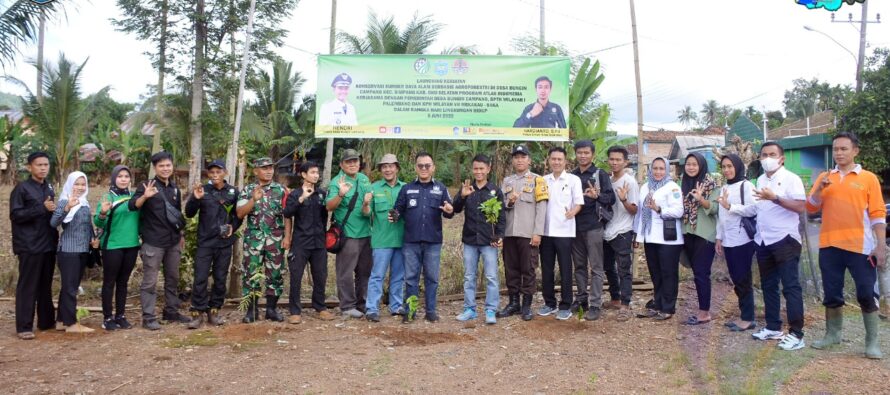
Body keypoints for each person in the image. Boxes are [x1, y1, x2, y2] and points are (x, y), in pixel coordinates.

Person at [807, 132, 886, 359]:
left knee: (865, 293)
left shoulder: (868, 178)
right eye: (836, 149)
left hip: (860, 247)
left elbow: (878, 215)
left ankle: (872, 343)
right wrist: (820, 188)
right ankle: (833, 335)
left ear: (855, 151)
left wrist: (880, 246)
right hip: (829, 245)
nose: (839, 153)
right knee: (832, 293)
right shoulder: (824, 176)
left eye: (844, 149)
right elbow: (811, 208)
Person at [749, 142, 807, 351]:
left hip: (785, 240)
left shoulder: (792, 179)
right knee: (768, 285)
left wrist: (775, 198)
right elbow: (758, 208)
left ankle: (796, 334)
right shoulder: (761, 179)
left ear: (781, 158)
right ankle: (773, 327)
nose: (767, 158)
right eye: (764, 155)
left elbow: (801, 206)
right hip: (763, 239)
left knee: (790, 287)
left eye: (772, 154)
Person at [392, 152, 455, 323]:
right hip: (411, 241)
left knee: (432, 278)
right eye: (421, 165)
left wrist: (450, 210)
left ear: (433, 167)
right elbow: (398, 209)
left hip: (433, 241)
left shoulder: (441, 188)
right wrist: (394, 214)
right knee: (410, 278)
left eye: (427, 165)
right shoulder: (406, 189)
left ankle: (431, 311)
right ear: (416, 168)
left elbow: (449, 211)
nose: (424, 169)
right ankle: (410, 311)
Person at [129, 151, 189, 330]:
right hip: (153, 242)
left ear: (172, 166)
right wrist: (145, 196)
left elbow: (177, 214)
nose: (165, 168)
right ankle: (148, 317)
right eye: (161, 166)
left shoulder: (174, 188)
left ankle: (171, 311)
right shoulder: (146, 185)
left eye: (168, 165)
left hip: (173, 241)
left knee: (173, 278)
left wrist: (182, 235)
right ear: (155, 168)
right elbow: (132, 206)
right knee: (150, 281)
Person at [184, 160, 241, 329]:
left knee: (220, 279)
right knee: (200, 278)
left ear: (225, 172)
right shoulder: (203, 190)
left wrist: (233, 227)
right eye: (211, 172)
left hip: (224, 243)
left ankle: (214, 311)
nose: (215, 174)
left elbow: (239, 215)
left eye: (218, 171)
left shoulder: (233, 192)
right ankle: (197, 313)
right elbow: (189, 213)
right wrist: (195, 198)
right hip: (205, 242)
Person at [10, 152, 59, 340]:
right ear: (30, 167)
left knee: (45, 285)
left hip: (48, 244)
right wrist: (41, 208)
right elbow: (16, 215)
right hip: (29, 245)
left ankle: (46, 322)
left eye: (46, 164)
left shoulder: (48, 187)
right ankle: (24, 326)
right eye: (39, 165)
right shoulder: (22, 189)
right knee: (28, 286)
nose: (43, 168)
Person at [236, 157, 292, 323]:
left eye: (270, 168)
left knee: (275, 274)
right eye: (264, 168)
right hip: (254, 239)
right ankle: (251, 311)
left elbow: (287, 216)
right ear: (256, 171)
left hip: (275, 239)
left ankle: (271, 309)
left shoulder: (281, 190)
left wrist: (288, 236)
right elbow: (240, 213)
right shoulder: (248, 190)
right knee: (251, 274)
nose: (268, 171)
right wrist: (253, 199)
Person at [453, 154, 506, 325]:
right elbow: (455, 209)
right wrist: (462, 196)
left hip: (489, 241)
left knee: (491, 276)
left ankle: (491, 309)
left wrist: (499, 236)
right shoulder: (468, 189)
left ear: (488, 169)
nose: (478, 172)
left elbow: (501, 216)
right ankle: (470, 309)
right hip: (470, 240)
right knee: (469, 276)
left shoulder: (495, 191)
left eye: (482, 168)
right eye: (475, 168)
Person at [499, 144, 548, 321]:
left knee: (528, 270)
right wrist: (510, 202)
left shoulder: (538, 180)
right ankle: (514, 303)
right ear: (513, 160)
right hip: (510, 233)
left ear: (529, 160)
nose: (519, 160)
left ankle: (527, 304)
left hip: (528, 233)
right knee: (511, 269)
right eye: (516, 157)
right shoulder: (507, 181)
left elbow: (542, 209)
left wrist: (538, 233)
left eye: (523, 157)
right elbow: (501, 208)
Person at [283, 161, 335, 324]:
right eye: (312, 172)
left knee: (320, 275)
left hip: (319, 241)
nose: (316, 175)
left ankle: (320, 307)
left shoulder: (322, 194)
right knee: (296, 276)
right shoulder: (295, 194)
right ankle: (295, 311)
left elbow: (327, 214)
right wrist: (302, 198)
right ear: (303, 175)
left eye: (317, 172)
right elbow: (287, 213)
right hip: (300, 242)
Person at [634, 157, 684, 321]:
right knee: (655, 273)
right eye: (655, 168)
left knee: (668, 273)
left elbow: (678, 211)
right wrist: (638, 235)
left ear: (667, 170)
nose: (658, 172)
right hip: (650, 236)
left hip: (668, 239)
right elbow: (640, 213)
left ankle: (668, 307)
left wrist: (659, 208)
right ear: (650, 169)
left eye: (662, 168)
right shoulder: (645, 187)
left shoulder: (672, 187)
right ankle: (658, 302)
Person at [570, 140, 615, 321]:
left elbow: (610, 198)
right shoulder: (571, 176)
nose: (583, 156)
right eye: (579, 152)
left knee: (596, 267)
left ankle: (595, 303)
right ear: (575, 154)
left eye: (586, 153)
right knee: (579, 266)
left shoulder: (600, 174)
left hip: (594, 226)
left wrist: (598, 196)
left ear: (592, 154)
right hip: (574, 227)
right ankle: (582, 299)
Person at [326, 148, 373, 319]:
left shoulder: (364, 179)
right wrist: (340, 194)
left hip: (366, 233)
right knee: (345, 272)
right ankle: (347, 305)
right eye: (349, 162)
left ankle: (363, 304)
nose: (353, 164)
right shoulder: (336, 181)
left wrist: (367, 205)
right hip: (348, 234)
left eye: (355, 161)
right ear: (341, 164)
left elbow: (368, 207)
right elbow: (329, 206)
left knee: (364, 272)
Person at [715, 154, 758, 332]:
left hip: (743, 239)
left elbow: (754, 208)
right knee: (736, 278)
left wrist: (730, 207)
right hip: (728, 240)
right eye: (724, 167)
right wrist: (719, 238)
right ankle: (744, 315)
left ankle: (748, 318)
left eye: (730, 166)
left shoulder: (746, 186)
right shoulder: (724, 187)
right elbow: (721, 216)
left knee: (743, 279)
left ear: (738, 167)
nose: (727, 170)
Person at [539, 147, 584, 321]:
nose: (556, 162)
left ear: (565, 161)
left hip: (565, 231)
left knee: (566, 269)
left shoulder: (573, 180)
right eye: (553, 159)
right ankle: (549, 303)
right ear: (549, 161)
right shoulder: (543, 180)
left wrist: (573, 212)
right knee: (546, 269)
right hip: (546, 231)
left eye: (560, 159)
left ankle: (565, 305)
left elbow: (579, 203)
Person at [50, 171, 97, 333]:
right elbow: (54, 222)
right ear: (70, 184)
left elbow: (87, 225)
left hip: (82, 250)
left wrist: (93, 238)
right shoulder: (64, 200)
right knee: (70, 288)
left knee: (70, 287)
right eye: (76, 184)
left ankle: (61, 321)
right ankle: (71, 324)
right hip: (69, 251)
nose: (80, 187)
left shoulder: (84, 203)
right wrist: (67, 207)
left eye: (83, 184)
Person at [94, 165, 140, 331]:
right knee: (109, 282)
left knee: (123, 282)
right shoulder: (108, 197)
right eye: (120, 176)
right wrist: (103, 213)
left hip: (132, 245)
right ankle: (107, 317)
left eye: (126, 176)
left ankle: (120, 315)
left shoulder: (135, 197)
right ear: (114, 178)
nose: (123, 179)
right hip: (112, 245)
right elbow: (98, 223)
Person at [362, 154, 407, 322]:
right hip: (381, 240)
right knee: (377, 275)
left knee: (398, 275)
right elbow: (366, 214)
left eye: (391, 166)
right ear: (381, 170)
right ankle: (372, 308)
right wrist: (366, 204)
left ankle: (396, 306)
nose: (388, 169)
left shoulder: (406, 188)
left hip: (401, 239)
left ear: (397, 168)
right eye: (384, 167)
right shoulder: (374, 188)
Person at [679, 152, 719, 326]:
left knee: (702, 274)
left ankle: (704, 313)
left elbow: (716, 208)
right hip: (688, 233)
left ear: (701, 165)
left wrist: (701, 200)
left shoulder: (711, 184)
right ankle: (703, 309)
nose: (691, 167)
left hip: (704, 234)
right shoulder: (683, 184)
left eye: (695, 164)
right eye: (688, 164)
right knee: (697, 273)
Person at [603, 146, 639, 322]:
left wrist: (623, 199)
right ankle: (615, 299)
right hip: (607, 230)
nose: (614, 162)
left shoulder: (629, 182)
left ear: (625, 162)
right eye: (611, 159)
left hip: (623, 230)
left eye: (618, 159)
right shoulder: (607, 180)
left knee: (624, 268)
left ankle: (626, 304)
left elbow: (634, 210)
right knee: (608, 267)